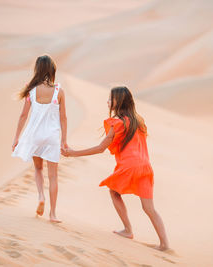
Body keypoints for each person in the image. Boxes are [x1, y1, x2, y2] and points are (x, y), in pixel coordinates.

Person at [63, 86, 169, 250]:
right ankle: (164, 244)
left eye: (110, 99)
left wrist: (73, 153)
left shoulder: (118, 123)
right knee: (149, 208)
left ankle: (128, 230)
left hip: (130, 165)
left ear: (117, 101)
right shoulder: (138, 122)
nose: (107, 101)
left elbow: (100, 148)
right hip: (146, 167)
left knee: (113, 192)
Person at [11, 55, 67, 223]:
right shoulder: (59, 91)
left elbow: (23, 116)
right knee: (54, 176)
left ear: (38, 70)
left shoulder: (31, 91)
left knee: (38, 169)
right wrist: (64, 140)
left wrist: (16, 138)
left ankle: (41, 196)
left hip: (35, 135)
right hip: (52, 137)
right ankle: (53, 214)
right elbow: (63, 118)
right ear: (52, 70)